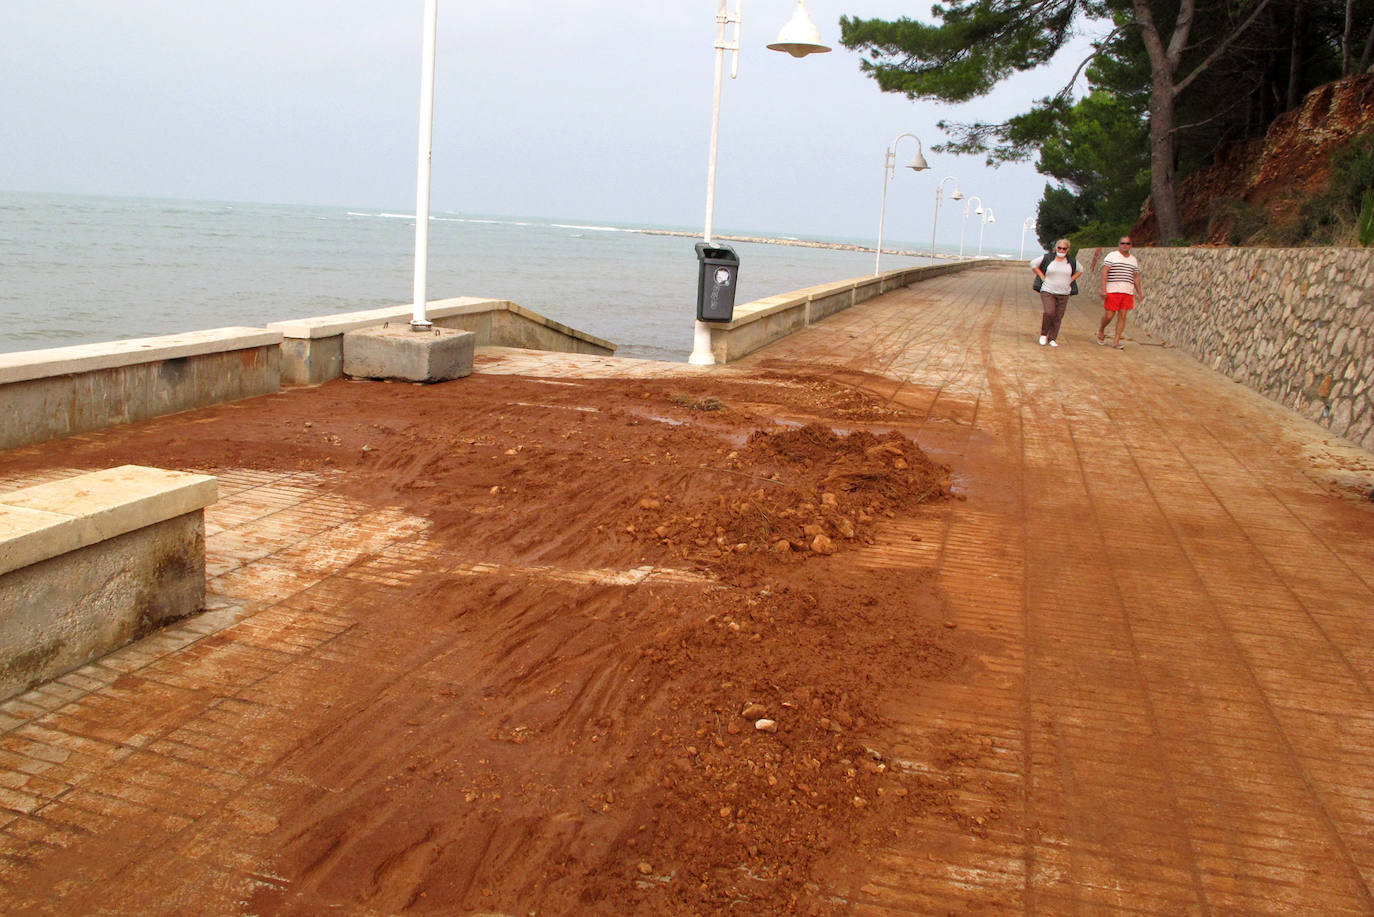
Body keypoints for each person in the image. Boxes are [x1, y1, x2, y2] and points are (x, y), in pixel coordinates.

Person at [1030, 239, 1081, 347]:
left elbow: (1081, 270)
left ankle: (1052, 338)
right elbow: (1033, 264)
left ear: (1068, 249)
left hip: (1064, 292)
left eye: (1064, 248)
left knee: (1058, 316)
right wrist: (1042, 276)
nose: (1061, 250)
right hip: (1048, 290)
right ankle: (1044, 334)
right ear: (1056, 248)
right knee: (1049, 312)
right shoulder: (1048, 258)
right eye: (1059, 248)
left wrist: (1071, 280)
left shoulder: (1071, 261)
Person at [1098, 236, 1142, 349]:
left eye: (1128, 243)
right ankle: (1101, 330)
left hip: (1127, 291)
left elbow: (1136, 276)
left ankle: (1116, 341)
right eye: (1123, 243)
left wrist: (1139, 292)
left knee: (1122, 316)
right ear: (1119, 244)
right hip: (1113, 290)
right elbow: (1105, 272)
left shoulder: (1133, 259)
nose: (1125, 245)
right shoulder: (1112, 256)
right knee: (1109, 315)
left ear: (1131, 245)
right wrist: (1103, 289)